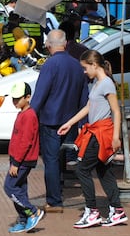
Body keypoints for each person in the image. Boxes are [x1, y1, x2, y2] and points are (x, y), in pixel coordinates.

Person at [59, 50, 127, 228]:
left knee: (82, 169)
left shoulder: (107, 84)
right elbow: (89, 107)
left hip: (101, 133)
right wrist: (70, 123)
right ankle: (117, 211)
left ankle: (92, 211)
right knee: (104, 170)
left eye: (85, 67)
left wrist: (116, 137)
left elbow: (116, 111)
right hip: (96, 132)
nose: (84, 71)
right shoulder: (97, 84)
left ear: (94, 65)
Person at [29, 29, 89, 213]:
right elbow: (83, 96)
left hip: (51, 121)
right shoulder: (77, 65)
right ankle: (62, 190)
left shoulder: (50, 65)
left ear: (48, 45)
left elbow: (40, 94)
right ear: (65, 44)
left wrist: (30, 116)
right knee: (65, 158)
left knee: (52, 161)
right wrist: (81, 122)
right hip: (71, 119)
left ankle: (54, 200)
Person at [4, 82, 44, 233]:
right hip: (18, 159)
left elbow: (26, 141)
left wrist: (16, 162)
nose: (15, 102)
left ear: (28, 97)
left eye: (18, 99)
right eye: (13, 99)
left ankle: (33, 212)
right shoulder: (23, 113)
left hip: (22, 160)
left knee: (10, 187)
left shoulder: (29, 115)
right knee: (19, 189)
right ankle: (23, 219)